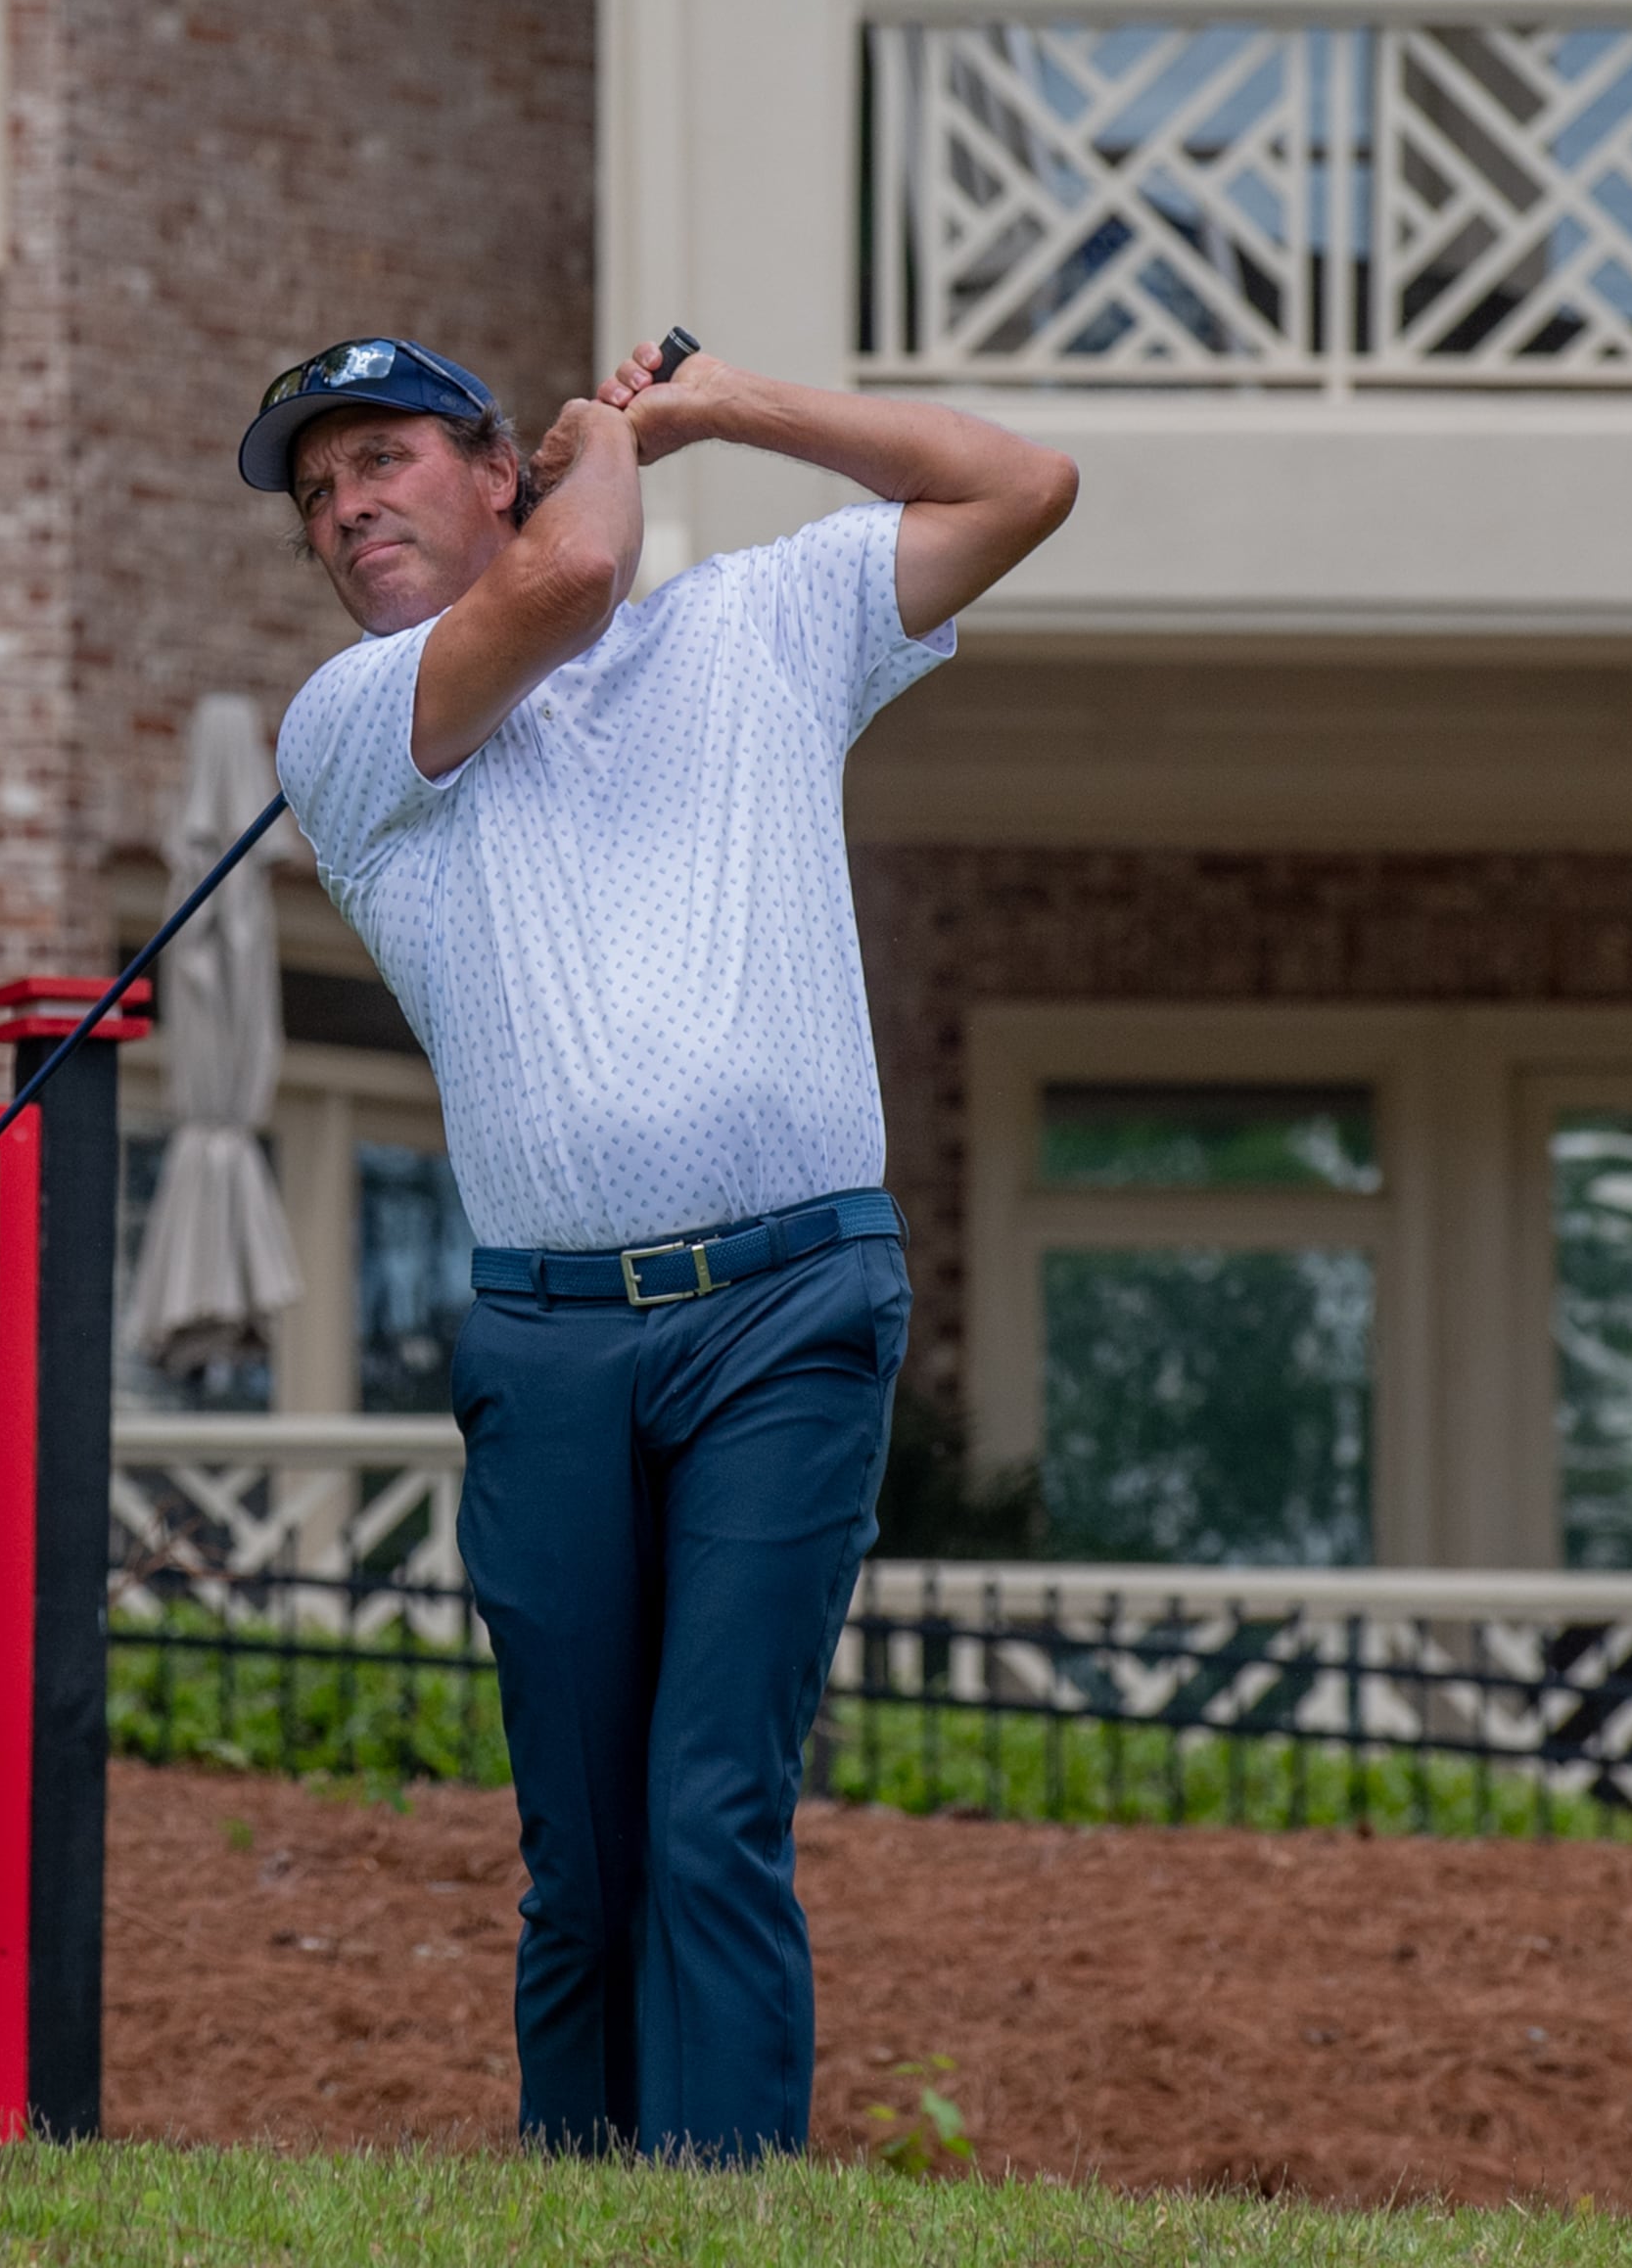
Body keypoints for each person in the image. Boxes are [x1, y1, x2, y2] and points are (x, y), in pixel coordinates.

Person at [251, 333, 1075, 2162]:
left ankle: (722, 2210)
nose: (344, 508)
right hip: (547, 1345)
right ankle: (581, 2200)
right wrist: (608, 451)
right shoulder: (350, 721)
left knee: (711, 1807)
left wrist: (720, 408)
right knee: (585, 1856)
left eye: (382, 459)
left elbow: (1020, 486)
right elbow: (573, 577)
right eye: (317, 492)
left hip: (790, 1312)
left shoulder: (757, 629)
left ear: (490, 470)